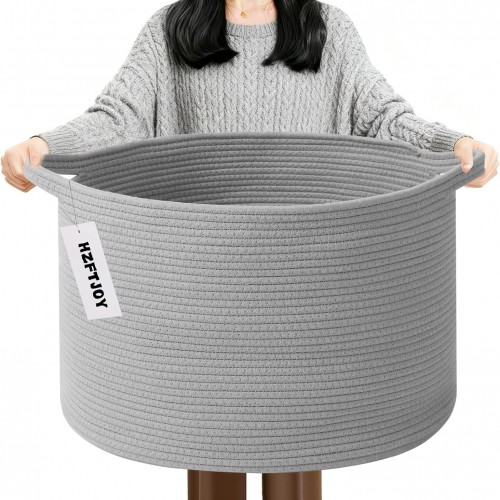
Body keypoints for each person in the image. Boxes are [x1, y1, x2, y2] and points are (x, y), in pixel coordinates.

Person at [1, 1, 497, 499]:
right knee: (208, 443)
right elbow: (118, 117)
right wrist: (47, 146)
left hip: (305, 294)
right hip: (199, 293)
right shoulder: (169, 31)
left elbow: (382, 117)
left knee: (300, 448)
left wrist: (449, 144)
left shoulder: (327, 28)